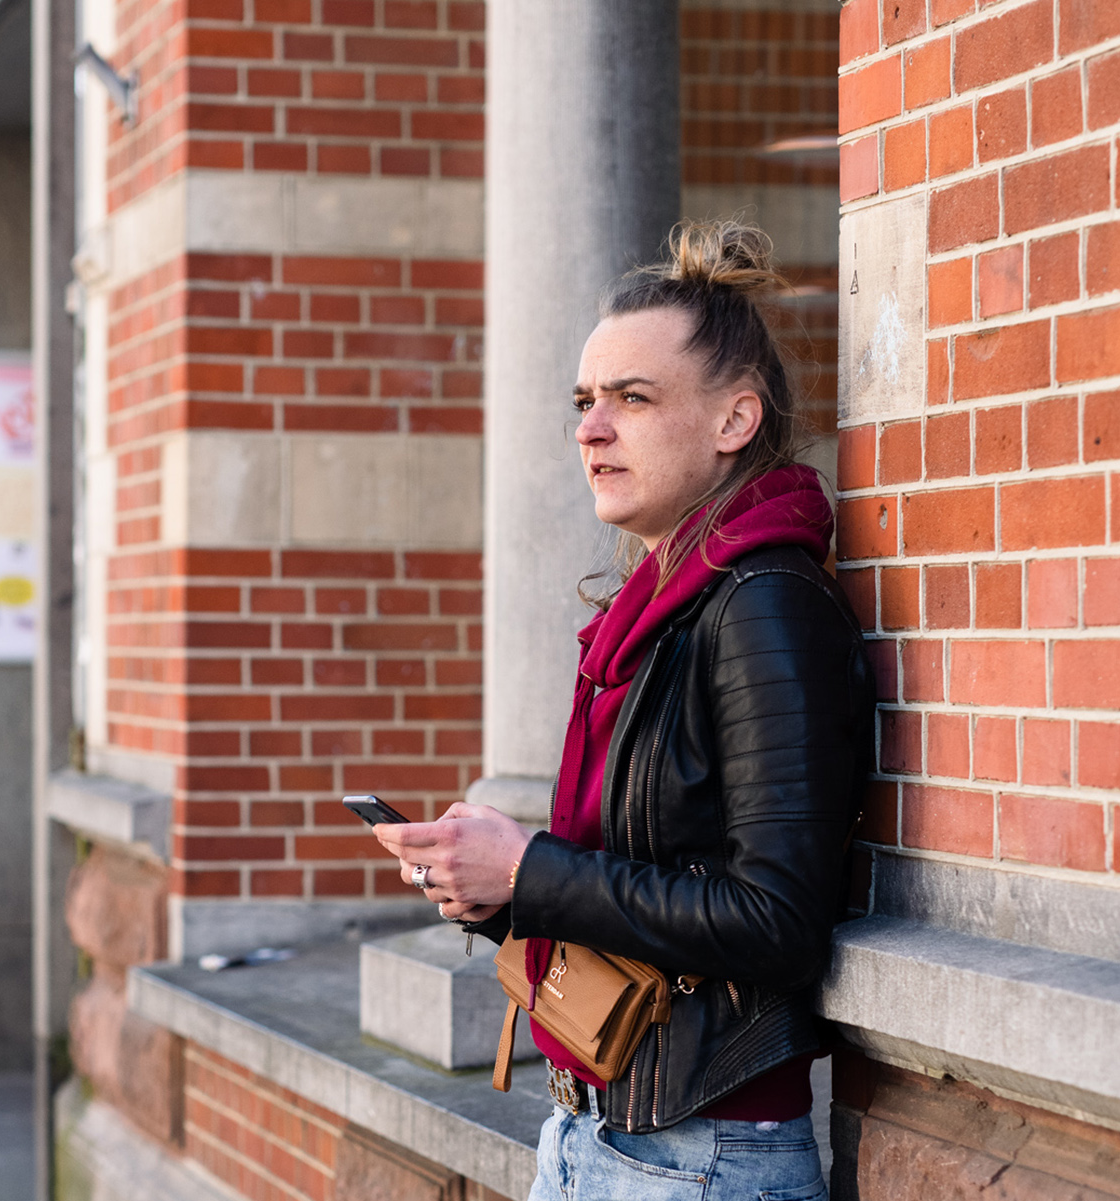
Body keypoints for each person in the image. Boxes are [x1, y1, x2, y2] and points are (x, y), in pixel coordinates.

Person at [373, 220, 874, 1200]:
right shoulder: (654, 611)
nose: (590, 429)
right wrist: (498, 891)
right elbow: (641, 877)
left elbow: (774, 919)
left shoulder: (764, 604)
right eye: (585, 402)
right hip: (591, 1135)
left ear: (734, 420)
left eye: (631, 400)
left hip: (704, 1160)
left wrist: (530, 864)